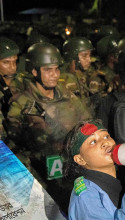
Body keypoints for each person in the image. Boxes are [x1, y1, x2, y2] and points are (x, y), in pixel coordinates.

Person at [6, 42, 92, 212]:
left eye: (56, 69)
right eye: (48, 70)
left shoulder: (68, 96)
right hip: (40, 177)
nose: (54, 75)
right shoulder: (21, 104)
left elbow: (87, 124)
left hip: (71, 170)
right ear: (34, 71)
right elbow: (12, 141)